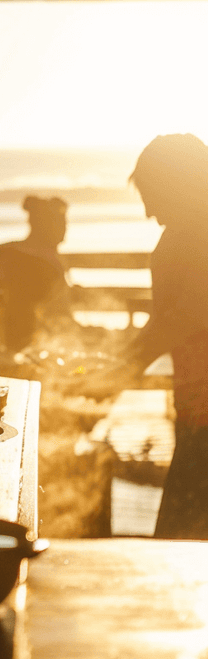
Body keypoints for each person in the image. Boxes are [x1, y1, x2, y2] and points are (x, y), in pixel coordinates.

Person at [121, 134, 208, 538]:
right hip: (194, 413)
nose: (148, 211)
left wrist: (118, 371)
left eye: (151, 194)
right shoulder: (183, 235)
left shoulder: (187, 238)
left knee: (177, 546)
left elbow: (181, 318)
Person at [0, 195, 73, 351]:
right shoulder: (47, 265)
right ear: (45, 226)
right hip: (30, 344)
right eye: (61, 223)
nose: (65, 229)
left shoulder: (2, 252)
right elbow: (58, 318)